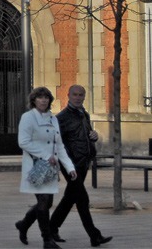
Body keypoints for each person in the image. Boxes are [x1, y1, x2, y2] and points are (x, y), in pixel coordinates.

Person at [50, 85, 113, 246]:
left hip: (84, 162)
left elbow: (86, 136)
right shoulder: (61, 118)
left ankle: (50, 228)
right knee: (82, 199)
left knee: (70, 198)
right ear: (68, 96)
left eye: (81, 95)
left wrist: (94, 136)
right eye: (75, 95)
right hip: (71, 165)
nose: (78, 97)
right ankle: (94, 235)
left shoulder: (83, 114)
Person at [15, 86, 77, 248]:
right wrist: (44, 155)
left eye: (46, 98)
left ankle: (24, 224)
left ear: (49, 101)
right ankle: (47, 240)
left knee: (47, 203)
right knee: (43, 202)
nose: (43, 100)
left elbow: (60, 145)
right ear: (34, 100)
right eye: (40, 97)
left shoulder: (53, 118)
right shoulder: (28, 117)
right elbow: (23, 142)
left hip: (50, 168)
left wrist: (70, 167)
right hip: (35, 167)